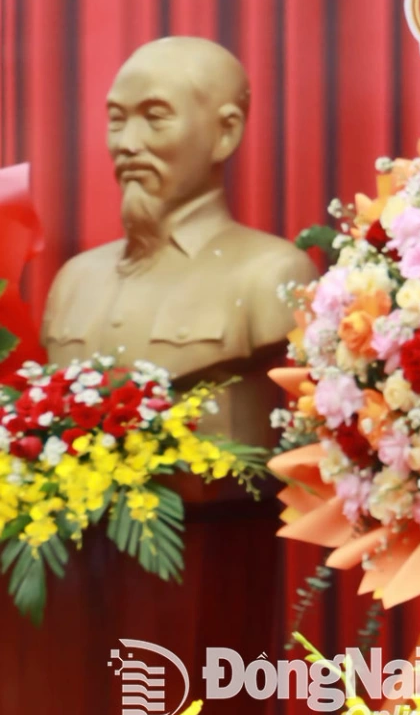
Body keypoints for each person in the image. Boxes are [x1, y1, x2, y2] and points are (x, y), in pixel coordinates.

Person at [41, 36, 313, 447]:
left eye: (155, 117)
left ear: (226, 133)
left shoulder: (271, 274)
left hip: (222, 509)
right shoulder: (73, 282)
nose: (127, 144)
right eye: (117, 119)